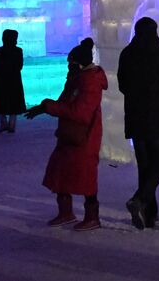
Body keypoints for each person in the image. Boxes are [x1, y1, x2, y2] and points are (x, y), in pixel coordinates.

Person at [29, 37, 106, 231]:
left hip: (84, 136)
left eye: (71, 63)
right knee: (60, 171)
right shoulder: (78, 79)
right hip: (70, 134)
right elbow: (66, 102)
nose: (68, 67)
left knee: (86, 176)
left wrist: (49, 107)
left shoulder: (89, 81)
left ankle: (92, 216)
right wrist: (45, 107)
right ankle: (66, 212)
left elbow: (80, 112)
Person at [117, 16, 159, 230]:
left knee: (145, 166)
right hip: (156, 115)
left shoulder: (128, 53)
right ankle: (139, 201)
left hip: (134, 115)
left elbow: (122, 84)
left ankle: (151, 214)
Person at [0, 29, 26, 134]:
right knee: (13, 102)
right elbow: (19, 66)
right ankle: (11, 125)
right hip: (14, 80)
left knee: (0, 102)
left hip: (1, 80)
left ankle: (4, 124)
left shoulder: (1, 50)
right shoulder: (18, 50)